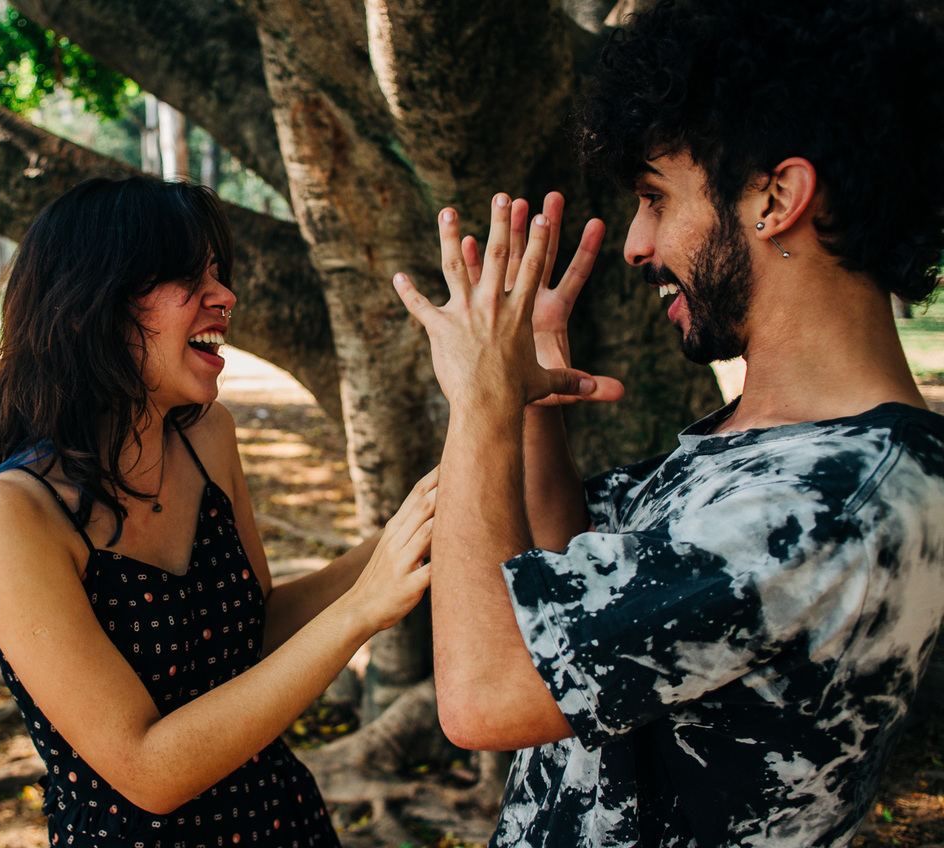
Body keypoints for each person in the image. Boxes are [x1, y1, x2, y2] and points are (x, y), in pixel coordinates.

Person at [391, 0, 944, 845]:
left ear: (777, 198)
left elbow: (487, 692)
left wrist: (480, 404)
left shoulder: (831, 502)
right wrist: (530, 399)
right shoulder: (779, 445)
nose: (636, 243)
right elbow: (567, 594)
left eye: (656, 197)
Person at [0, 175, 435, 848]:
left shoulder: (208, 437)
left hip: (284, 825)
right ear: (88, 307)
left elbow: (255, 634)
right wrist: (363, 611)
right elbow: (148, 770)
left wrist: (408, 534)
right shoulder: (10, 516)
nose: (225, 297)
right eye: (189, 276)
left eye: (218, 272)